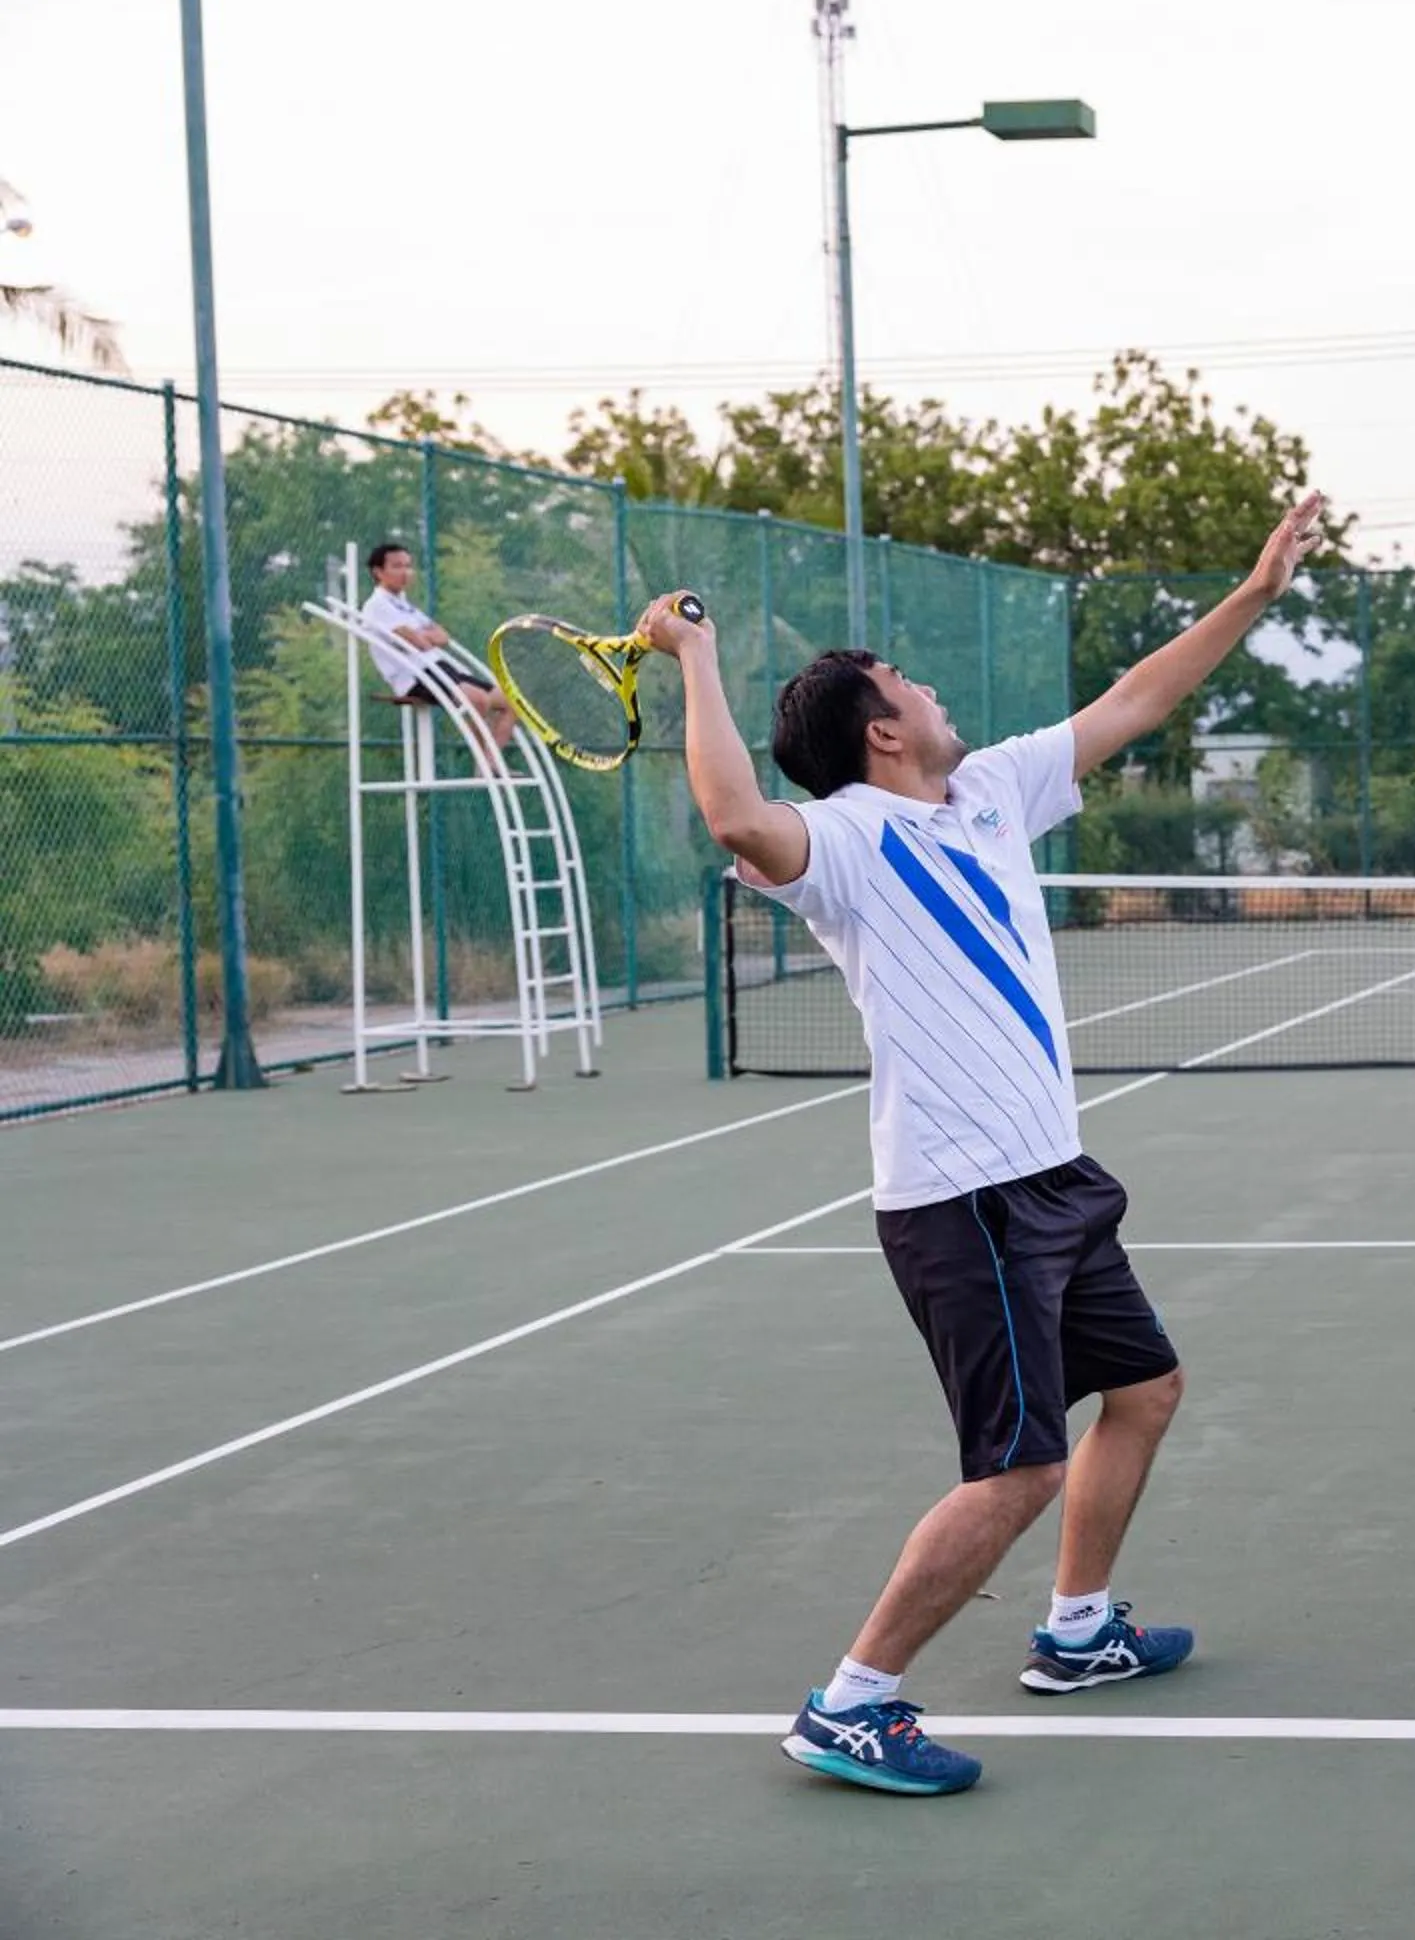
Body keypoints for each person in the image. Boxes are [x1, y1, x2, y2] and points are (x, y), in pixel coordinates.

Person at [643, 493, 1328, 1798]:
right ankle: (854, 1703)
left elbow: (1140, 697)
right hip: (964, 1203)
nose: (931, 685)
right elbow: (737, 816)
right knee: (1016, 1465)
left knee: (1146, 1390)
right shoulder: (840, 844)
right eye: (906, 680)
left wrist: (1255, 590)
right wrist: (696, 658)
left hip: (1055, 1179)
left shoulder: (995, 791)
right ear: (880, 730)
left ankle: (1077, 1632)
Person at [355, 542, 517, 753]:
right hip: (415, 676)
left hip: (438, 666)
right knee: (478, 700)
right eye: (397, 566)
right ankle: (484, 764)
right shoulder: (377, 606)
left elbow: (442, 637)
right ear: (378, 572)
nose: (405, 572)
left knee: (511, 703)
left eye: (408, 566)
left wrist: (421, 636)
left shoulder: (403, 605)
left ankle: (492, 762)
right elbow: (419, 643)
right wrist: (423, 637)